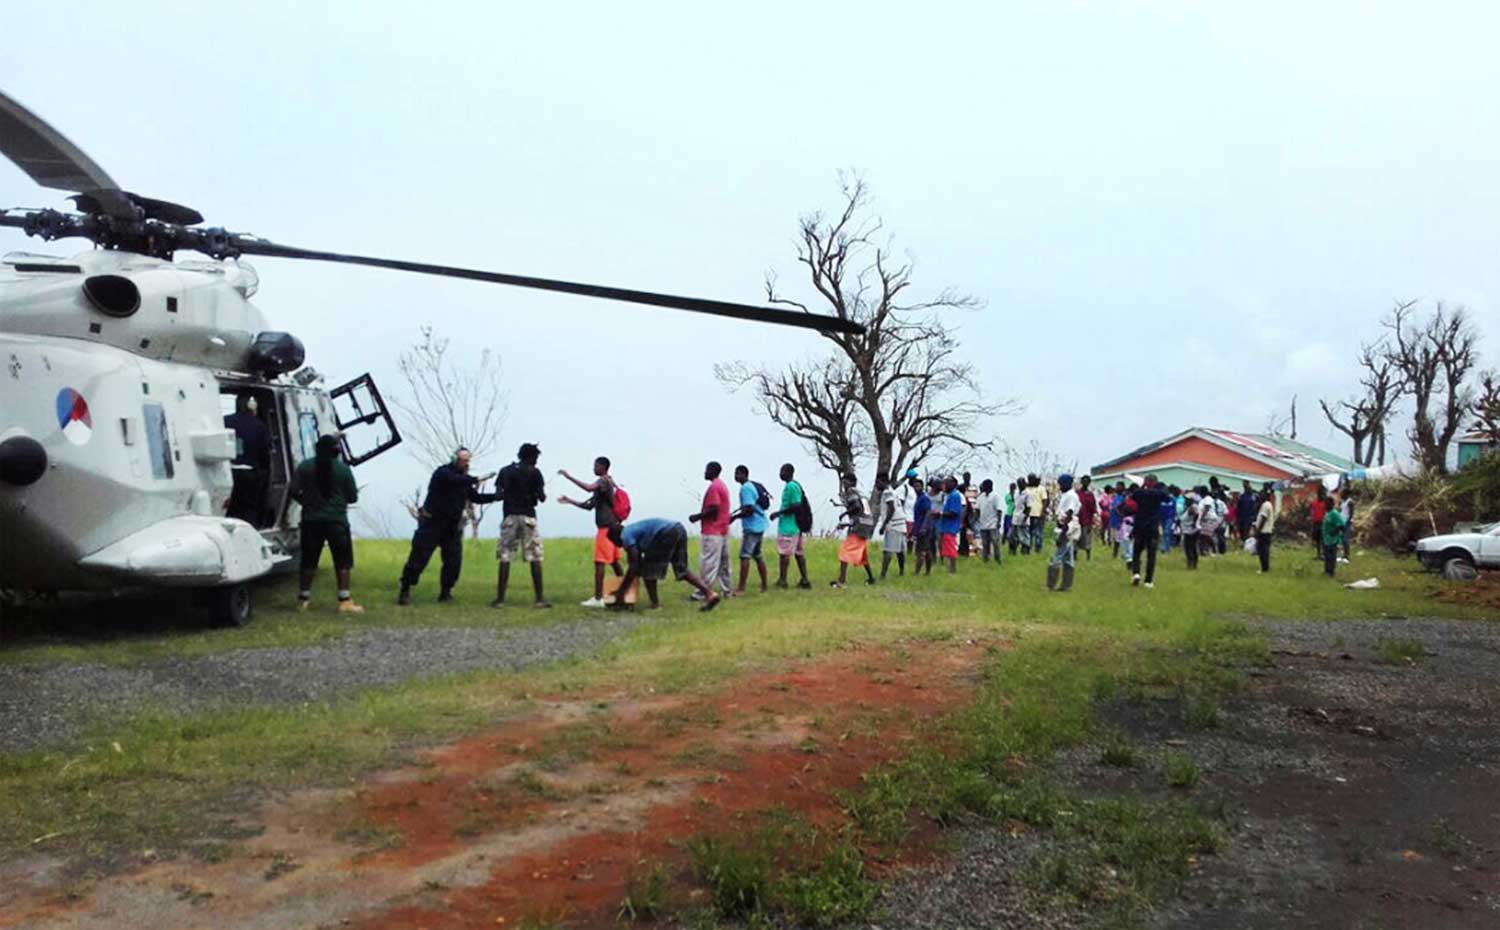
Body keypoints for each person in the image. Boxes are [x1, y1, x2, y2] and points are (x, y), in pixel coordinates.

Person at [398, 447, 499, 604]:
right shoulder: (442, 473)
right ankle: (405, 590)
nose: (467, 464)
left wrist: (496, 496)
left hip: (452, 526)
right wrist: (478, 478)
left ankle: (445, 592)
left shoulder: (464, 480)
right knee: (419, 558)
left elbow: (475, 497)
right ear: (455, 460)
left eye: (468, 461)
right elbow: (455, 480)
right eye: (464, 461)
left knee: (453, 561)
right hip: (432, 523)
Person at [290, 434, 363, 613]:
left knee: (309, 561)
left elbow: (293, 490)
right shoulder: (343, 470)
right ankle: (344, 600)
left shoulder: (305, 467)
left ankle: (303, 599)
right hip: (337, 522)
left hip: (311, 521)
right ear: (335, 451)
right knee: (343, 561)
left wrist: (306, 502)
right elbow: (353, 497)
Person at [607, 518, 721, 611]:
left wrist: (621, 592)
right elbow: (636, 564)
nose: (617, 546)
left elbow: (634, 566)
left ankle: (655, 605)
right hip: (678, 528)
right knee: (681, 569)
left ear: (616, 537)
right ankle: (710, 594)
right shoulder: (632, 531)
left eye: (613, 542)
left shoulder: (625, 536)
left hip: (665, 533)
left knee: (649, 572)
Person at [558, 456, 623, 608]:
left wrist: (569, 477)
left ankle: (598, 598)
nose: (593, 468)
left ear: (603, 467)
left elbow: (588, 487)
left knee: (600, 562)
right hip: (614, 527)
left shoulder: (603, 481)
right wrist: (570, 501)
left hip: (606, 529)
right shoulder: (608, 484)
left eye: (595, 466)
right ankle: (626, 591)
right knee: (614, 562)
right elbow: (589, 506)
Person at [492, 443, 549, 608]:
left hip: (509, 515)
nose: (537, 461)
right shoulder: (535, 473)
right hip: (528, 516)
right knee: (535, 557)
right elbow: (542, 497)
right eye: (536, 458)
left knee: (505, 556)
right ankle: (539, 599)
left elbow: (498, 494)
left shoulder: (505, 471)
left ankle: (500, 599)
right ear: (531, 456)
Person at [224, 395, 271, 525]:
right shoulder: (260, 426)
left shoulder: (225, 421)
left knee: (229, 510)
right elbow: (264, 454)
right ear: (253, 407)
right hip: (249, 475)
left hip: (227, 473)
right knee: (248, 511)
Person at [690, 461, 733, 599]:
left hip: (712, 530)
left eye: (707, 470)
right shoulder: (722, 486)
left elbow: (714, 508)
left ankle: (702, 593)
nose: (705, 472)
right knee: (724, 563)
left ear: (713, 471)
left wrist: (697, 517)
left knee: (709, 563)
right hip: (723, 529)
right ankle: (727, 590)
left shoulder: (714, 487)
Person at [768, 463, 811, 589]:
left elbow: (796, 506)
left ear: (789, 472)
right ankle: (804, 580)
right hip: (795, 526)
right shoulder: (792, 486)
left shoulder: (791, 486)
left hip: (789, 526)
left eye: (782, 471)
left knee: (784, 554)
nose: (780, 474)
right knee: (798, 553)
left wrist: (779, 513)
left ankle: (783, 580)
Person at [730, 464, 770, 594]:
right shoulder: (750, 486)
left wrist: (734, 517)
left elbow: (749, 509)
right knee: (757, 556)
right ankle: (764, 585)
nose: (735, 476)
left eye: (738, 473)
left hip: (752, 527)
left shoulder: (745, 488)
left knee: (745, 556)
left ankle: (741, 588)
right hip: (760, 525)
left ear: (744, 474)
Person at [832, 473, 876, 588]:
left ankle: (841, 581)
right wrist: (847, 523)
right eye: (843, 482)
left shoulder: (851, 492)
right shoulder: (860, 493)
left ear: (852, 482)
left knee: (845, 551)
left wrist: (844, 513)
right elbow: (861, 510)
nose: (844, 485)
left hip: (860, 525)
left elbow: (856, 507)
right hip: (867, 523)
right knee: (863, 553)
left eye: (846, 482)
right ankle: (871, 578)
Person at [1127, 475, 1172, 588]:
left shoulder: (1139, 493)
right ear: (1155, 482)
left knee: (1137, 552)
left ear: (1145, 482)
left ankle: (1136, 573)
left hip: (1139, 525)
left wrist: (1143, 486)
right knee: (1151, 555)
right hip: (1152, 526)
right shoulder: (1158, 494)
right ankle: (1148, 581)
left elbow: (1131, 500)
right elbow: (1167, 497)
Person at [1047, 473, 1081, 592]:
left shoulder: (1071, 496)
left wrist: (1062, 533)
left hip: (1067, 528)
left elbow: (1069, 515)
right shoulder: (1066, 495)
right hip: (1065, 527)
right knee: (1068, 559)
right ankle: (1066, 585)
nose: (1059, 486)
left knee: (1056, 557)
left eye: (1061, 484)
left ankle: (1051, 584)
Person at [876, 472, 910, 579]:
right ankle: (901, 571)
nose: (876, 485)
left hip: (894, 524)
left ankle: (883, 574)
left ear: (883, 482)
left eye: (877, 483)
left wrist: (884, 525)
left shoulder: (887, 493)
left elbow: (891, 508)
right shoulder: (894, 492)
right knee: (900, 550)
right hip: (901, 523)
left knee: (888, 550)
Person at [912, 477, 938, 575]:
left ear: (922, 487)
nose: (916, 488)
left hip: (925, 528)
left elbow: (928, 512)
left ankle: (917, 572)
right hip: (919, 526)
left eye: (918, 486)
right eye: (914, 486)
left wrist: (924, 527)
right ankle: (927, 572)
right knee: (927, 550)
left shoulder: (924, 499)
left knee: (921, 551)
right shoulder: (918, 499)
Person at [939, 475, 964, 574]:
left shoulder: (954, 495)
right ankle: (949, 569)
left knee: (951, 551)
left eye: (946, 483)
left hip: (950, 527)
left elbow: (954, 512)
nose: (944, 486)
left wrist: (940, 514)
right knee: (947, 551)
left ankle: (952, 571)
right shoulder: (948, 496)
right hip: (946, 527)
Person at [976, 479, 1002, 564]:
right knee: (985, 544)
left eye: (984, 486)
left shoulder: (995, 496)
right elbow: (977, 510)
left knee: (995, 543)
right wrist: (976, 519)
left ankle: (997, 559)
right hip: (983, 524)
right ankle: (985, 560)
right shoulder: (980, 497)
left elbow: (999, 510)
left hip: (993, 524)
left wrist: (998, 522)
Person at [1321, 491, 1345, 578]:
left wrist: (1333, 532)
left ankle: (1331, 572)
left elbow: (1342, 525)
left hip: (1332, 539)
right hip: (1326, 538)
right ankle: (1327, 570)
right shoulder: (1328, 513)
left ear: (1331, 504)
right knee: (1326, 555)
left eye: (1327, 504)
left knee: (1331, 555)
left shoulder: (1335, 513)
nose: (1325, 506)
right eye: (1325, 504)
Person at [1254, 484, 1277, 573]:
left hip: (1264, 531)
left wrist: (1258, 530)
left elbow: (1263, 518)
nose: (1260, 496)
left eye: (1261, 494)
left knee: (1263, 550)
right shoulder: (1267, 504)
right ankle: (1265, 567)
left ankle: (1264, 568)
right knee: (1264, 550)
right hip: (1266, 531)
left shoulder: (1265, 505)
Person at [1075, 475, 1096, 561]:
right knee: (1076, 537)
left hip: (1087, 520)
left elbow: (1093, 509)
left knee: (1087, 538)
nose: (1085, 483)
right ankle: (1074, 556)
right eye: (1084, 481)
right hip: (1077, 519)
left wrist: (1092, 522)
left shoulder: (1090, 494)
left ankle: (1088, 556)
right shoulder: (1077, 493)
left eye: (1087, 481)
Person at [1181, 489, 1201, 570]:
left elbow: (1196, 514)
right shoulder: (1189, 507)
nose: (1185, 500)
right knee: (1191, 547)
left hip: (1191, 531)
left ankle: (1191, 564)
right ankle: (1192, 564)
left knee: (1190, 548)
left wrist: (1194, 522)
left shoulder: (1192, 507)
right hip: (1188, 530)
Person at [1309, 486, 1329, 562]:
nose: (1321, 495)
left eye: (1323, 494)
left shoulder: (1326, 503)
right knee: (1317, 540)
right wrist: (1312, 521)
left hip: (1323, 523)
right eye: (1320, 494)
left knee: (1324, 539)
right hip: (1316, 523)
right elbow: (1312, 512)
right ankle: (1319, 554)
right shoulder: (1314, 503)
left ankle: (1324, 554)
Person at [1236, 481, 1258, 545]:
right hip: (1242, 517)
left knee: (1246, 531)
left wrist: (1253, 517)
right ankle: (1244, 542)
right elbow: (1239, 507)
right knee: (1242, 531)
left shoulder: (1252, 497)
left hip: (1248, 517)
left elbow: (1254, 508)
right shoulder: (1242, 496)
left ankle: (1246, 543)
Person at [1339, 488, 1356, 562]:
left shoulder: (1350, 502)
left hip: (1346, 522)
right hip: (1341, 521)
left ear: (1346, 494)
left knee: (1345, 539)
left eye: (1342, 493)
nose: (1340, 495)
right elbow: (1342, 511)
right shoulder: (1342, 501)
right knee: (1342, 539)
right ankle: (1343, 554)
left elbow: (1351, 513)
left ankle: (1347, 555)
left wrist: (1348, 521)